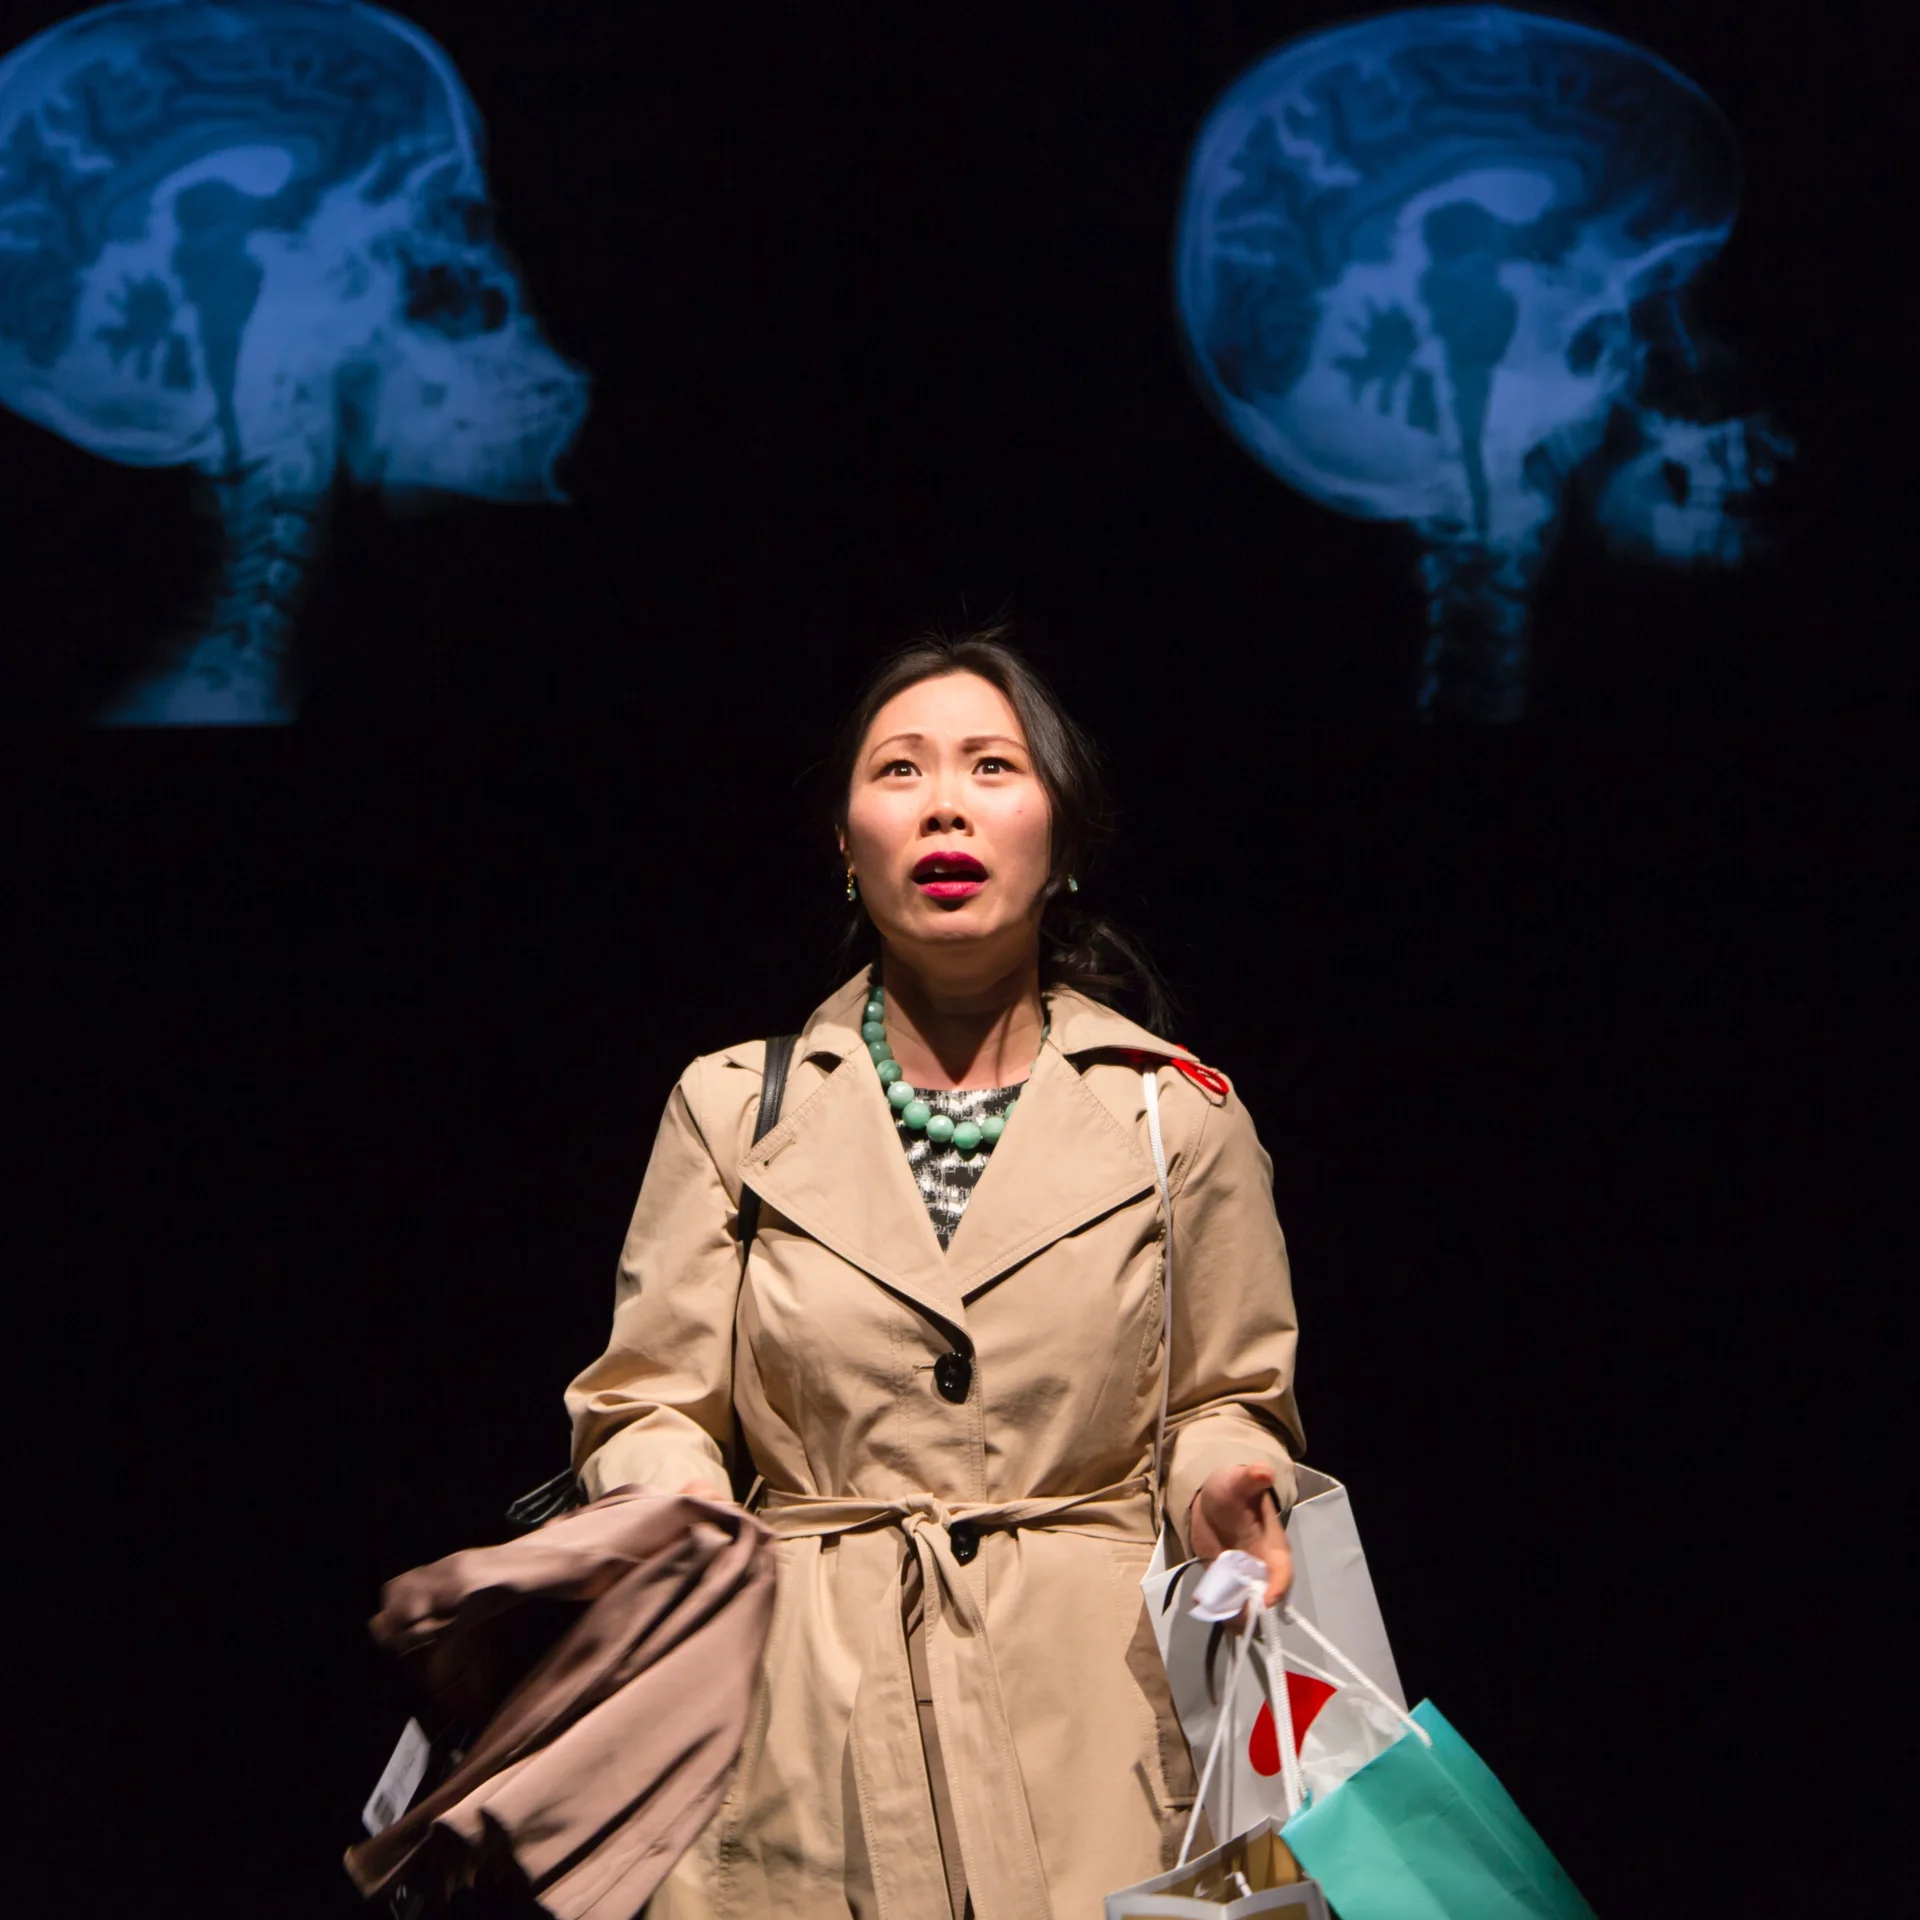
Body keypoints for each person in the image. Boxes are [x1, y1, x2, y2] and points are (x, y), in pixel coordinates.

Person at [565, 627, 1304, 1919]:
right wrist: (676, 1507)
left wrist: (1227, 1489)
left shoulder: (1176, 1117)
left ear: (1064, 841)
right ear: (844, 846)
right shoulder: (732, 1108)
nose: (946, 803)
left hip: (1094, 1718)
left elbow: (1224, 1399)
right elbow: (646, 1402)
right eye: (900, 770)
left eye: (992, 767)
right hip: (801, 1710)